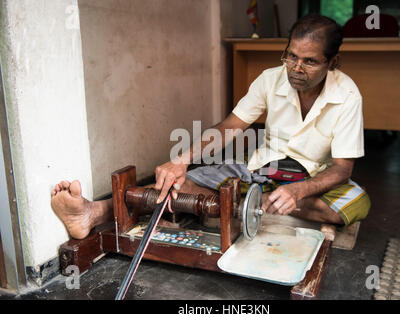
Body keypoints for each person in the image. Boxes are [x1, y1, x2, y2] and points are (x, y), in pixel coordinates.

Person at [51, 14, 370, 240]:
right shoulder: (271, 79)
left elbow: (342, 168)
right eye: (291, 56)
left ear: (333, 63)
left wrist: (297, 190)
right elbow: (230, 127)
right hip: (259, 171)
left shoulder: (347, 95)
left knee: (357, 203)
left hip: (311, 179)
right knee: (182, 183)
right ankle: (93, 212)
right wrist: (183, 158)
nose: (296, 68)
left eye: (310, 61)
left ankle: (243, 204)